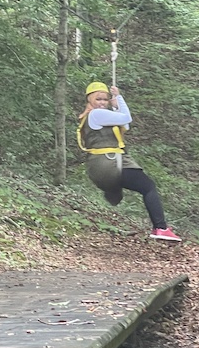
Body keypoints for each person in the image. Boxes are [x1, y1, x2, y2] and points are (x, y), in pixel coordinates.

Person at [77, 81, 181, 242]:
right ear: (90, 100)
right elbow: (127, 118)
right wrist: (118, 97)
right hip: (109, 162)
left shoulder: (94, 117)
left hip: (98, 167)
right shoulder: (96, 114)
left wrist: (116, 104)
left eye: (105, 99)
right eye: (98, 99)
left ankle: (112, 189)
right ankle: (160, 228)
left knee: (128, 184)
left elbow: (124, 124)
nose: (102, 103)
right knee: (148, 187)